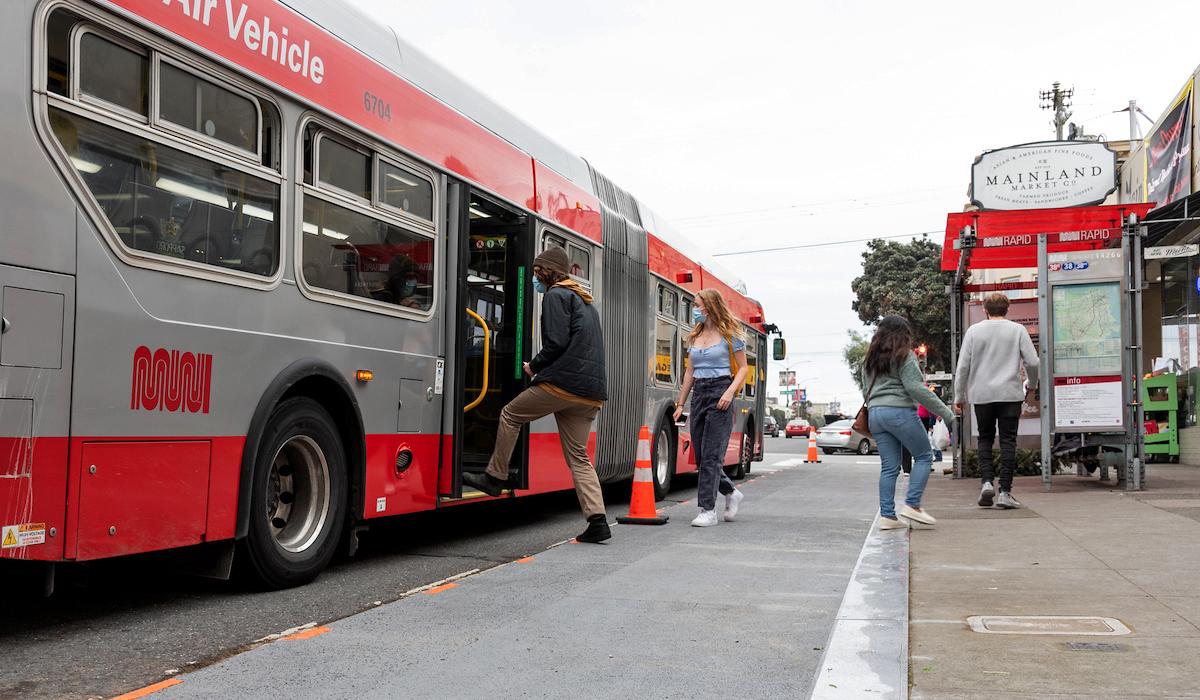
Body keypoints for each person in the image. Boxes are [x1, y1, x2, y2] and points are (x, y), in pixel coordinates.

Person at [462, 246, 611, 543]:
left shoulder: (556, 295)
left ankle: (494, 476)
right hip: (590, 393)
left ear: (545, 272)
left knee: (510, 414)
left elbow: (555, 343)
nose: (533, 278)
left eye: (534, 272)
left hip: (562, 385)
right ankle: (597, 522)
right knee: (579, 458)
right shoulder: (585, 302)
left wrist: (535, 366)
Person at [863, 316, 955, 530]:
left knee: (889, 467)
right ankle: (912, 504)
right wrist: (946, 413)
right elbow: (916, 388)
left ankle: (887, 515)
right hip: (899, 412)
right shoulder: (904, 355)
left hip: (876, 414)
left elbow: (865, 389)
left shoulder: (868, 360)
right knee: (923, 456)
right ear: (904, 334)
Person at [953, 292, 1039, 509]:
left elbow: (963, 366)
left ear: (985, 309)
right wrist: (1032, 383)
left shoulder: (974, 331)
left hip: (982, 395)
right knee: (1008, 441)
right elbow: (1033, 362)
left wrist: (959, 396)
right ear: (1007, 309)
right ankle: (1006, 492)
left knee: (985, 438)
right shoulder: (1017, 330)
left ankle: (986, 482)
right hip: (1010, 394)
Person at [672, 289, 749, 527]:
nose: (694, 310)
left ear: (710, 306)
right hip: (700, 395)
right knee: (701, 455)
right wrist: (680, 403)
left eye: (697, 305)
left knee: (712, 456)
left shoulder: (730, 334)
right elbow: (690, 371)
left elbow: (743, 368)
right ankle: (731, 492)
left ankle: (707, 510)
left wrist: (729, 392)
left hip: (721, 391)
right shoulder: (694, 335)